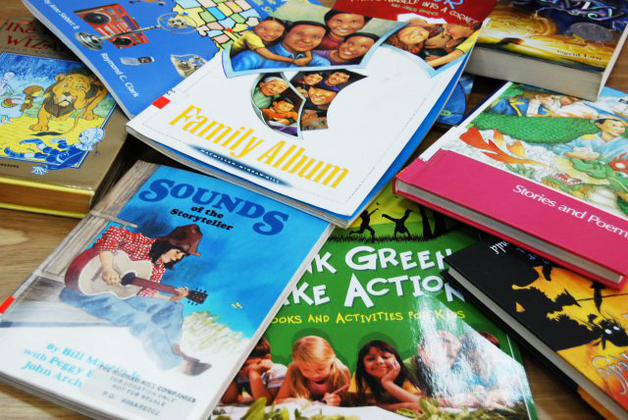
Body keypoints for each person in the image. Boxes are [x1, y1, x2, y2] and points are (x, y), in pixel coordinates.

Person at [59, 224, 210, 375]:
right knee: (141, 320)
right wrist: (108, 268)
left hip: (119, 295)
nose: (178, 257)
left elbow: (144, 292)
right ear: (167, 244)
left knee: (175, 307)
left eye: (182, 255)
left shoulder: (158, 267)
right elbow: (113, 232)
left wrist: (172, 298)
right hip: (87, 290)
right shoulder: (143, 243)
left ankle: (174, 349)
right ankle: (171, 363)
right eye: (177, 252)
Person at [275, 336, 350, 406]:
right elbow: (277, 401)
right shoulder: (294, 369)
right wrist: (293, 401)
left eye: (320, 369)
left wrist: (339, 402)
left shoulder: (342, 371)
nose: (314, 375)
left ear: (332, 360)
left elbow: (350, 403)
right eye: (306, 370)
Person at [350, 340, 422, 412]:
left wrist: (388, 383)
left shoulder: (404, 376)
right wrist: (406, 406)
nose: (379, 361)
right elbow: (366, 406)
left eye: (385, 357)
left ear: (397, 360)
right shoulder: (360, 376)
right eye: (371, 359)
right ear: (363, 365)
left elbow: (421, 404)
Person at [231, 21, 331, 71]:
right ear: (285, 34)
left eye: (316, 37)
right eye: (299, 34)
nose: (307, 40)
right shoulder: (250, 57)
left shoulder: (321, 63)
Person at [221, 337, 287, 405]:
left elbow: (266, 402)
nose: (240, 369)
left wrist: (254, 372)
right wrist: (231, 374)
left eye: (246, 365)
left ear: (266, 358)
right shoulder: (240, 371)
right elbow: (228, 400)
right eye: (238, 365)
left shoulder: (277, 371)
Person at [231, 17, 312, 67]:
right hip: (231, 53)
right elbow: (268, 55)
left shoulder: (282, 35)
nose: (270, 34)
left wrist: (309, 57)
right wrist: (293, 60)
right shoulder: (251, 36)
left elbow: (300, 41)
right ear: (254, 27)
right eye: (263, 29)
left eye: (278, 31)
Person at [551, 117, 628, 161]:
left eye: (621, 127)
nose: (619, 129)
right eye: (614, 125)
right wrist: (572, 154)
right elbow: (560, 147)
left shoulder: (625, 144)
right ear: (599, 125)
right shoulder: (587, 138)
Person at [314, 33, 378, 65]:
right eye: (350, 43)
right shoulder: (314, 54)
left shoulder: (362, 64)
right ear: (341, 43)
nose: (351, 49)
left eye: (363, 47)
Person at [490, 91, 561, 117]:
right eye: (551, 98)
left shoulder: (544, 110)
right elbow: (496, 110)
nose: (553, 101)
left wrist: (551, 106)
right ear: (538, 97)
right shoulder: (511, 103)